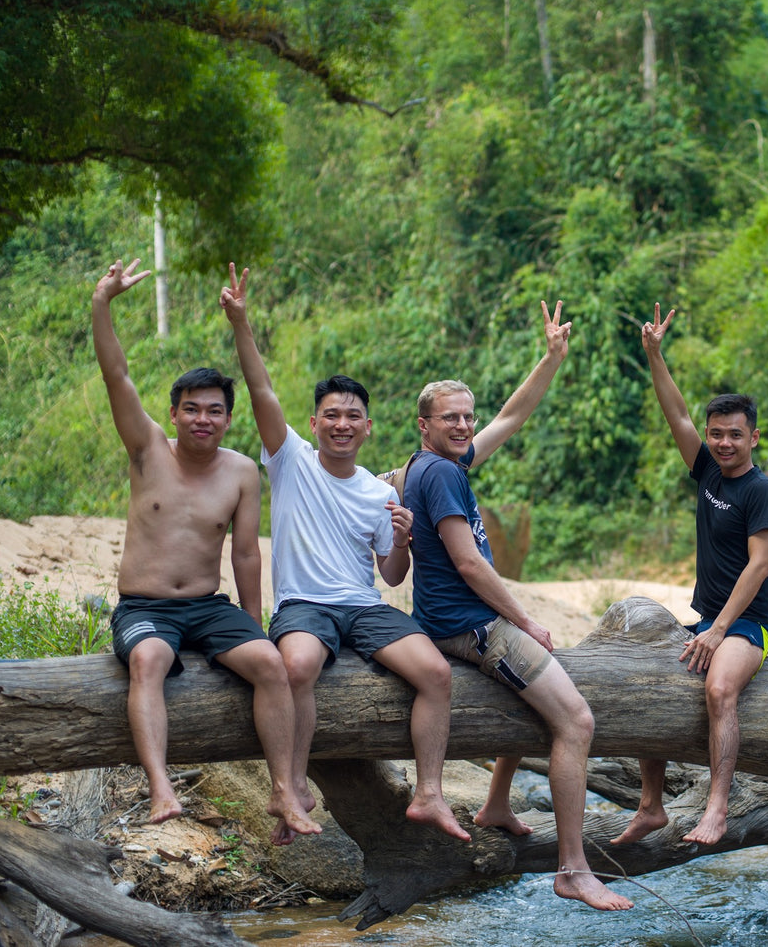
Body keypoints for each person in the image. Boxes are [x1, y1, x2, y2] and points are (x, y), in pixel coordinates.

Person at [219, 263, 468, 846]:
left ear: (368, 428)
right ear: (312, 423)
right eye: (331, 414)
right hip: (305, 603)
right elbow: (260, 389)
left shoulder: (381, 492)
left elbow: (391, 573)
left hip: (363, 605)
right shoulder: (290, 460)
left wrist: (403, 537)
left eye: (352, 416)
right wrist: (241, 324)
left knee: (434, 671)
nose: (341, 423)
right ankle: (294, 786)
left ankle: (430, 793)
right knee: (298, 665)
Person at [403, 300, 633, 911]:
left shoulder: (436, 463)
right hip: (470, 628)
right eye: (449, 418)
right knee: (576, 720)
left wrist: (551, 357)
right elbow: (469, 563)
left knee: (537, 695)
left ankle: (498, 800)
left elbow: (512, 415)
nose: (463, 425)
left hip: (454, 621)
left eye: (466, 417)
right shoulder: (441, 474)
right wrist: (523, 619)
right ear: (423, 424)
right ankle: (573, 867)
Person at [91, 258, 319, 842]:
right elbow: (117, 375)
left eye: (214, 410)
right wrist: (102, 304)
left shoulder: (242, 472)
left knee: (270, 663)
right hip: (145, 607)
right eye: (191, 408)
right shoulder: (147, 448)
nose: (202, 418)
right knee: (149, 661)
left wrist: (251, 623)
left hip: (207, 605)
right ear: (173, 414)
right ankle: (161, 787)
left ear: (227, 419)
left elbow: (245, 554)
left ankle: (283, 792)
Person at [613, 303, 768, 847]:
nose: (723, 442)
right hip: (707, 618)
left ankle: (717, 805)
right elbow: (678, 417)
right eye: (717, 434)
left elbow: (761, 566)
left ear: (753, 437)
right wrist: (655, 354)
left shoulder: (762, 492)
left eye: (735, 434)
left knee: (718, 692)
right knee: (649, 683)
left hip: (750, 624)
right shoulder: (708, 468)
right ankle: (651, 804)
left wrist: (717, 631)